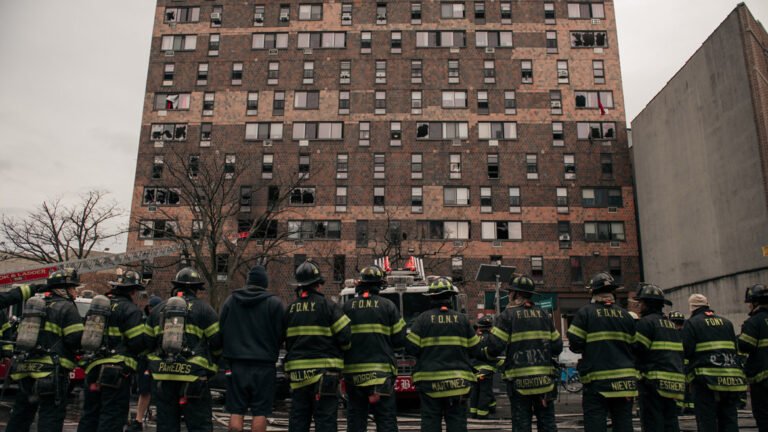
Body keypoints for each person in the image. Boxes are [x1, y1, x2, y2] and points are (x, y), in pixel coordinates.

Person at [6, 269, 84, 432]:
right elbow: (74, 339)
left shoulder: (34, 308)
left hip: (25, 371)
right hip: (52, 373)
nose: (75, 292)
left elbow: (16, 336)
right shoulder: (67, 307)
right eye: (73, 288)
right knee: (50, 417)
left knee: (20, 415)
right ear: (64, 289)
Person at [146, 267, 222, 432]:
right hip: (194, 378)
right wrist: (213, 366)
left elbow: (146, 344)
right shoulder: (205, 310)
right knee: (199, 426)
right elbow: (217, 343)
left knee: (166, 426)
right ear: (196, 289)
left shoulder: (158, 309)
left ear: (176, 286)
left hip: (163, 377)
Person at [484, 276, 562, 432]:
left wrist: (486, 355)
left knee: (521, 424)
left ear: (515, 294)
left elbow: (494, 347)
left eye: (510, 292)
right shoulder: (544, 315)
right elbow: (557, 347)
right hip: (545, 382)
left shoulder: (507, 316)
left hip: (519, 383)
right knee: (547, 423)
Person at [284, 260, 351, 432]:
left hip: (298, 377)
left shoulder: (290, 309)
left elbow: (283, 340)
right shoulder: (329, 307)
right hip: (325, 374)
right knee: (326, 421)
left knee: (298, 420)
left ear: (300, 286)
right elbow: (345, 337)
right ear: (318, 285)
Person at [406, 277, 480, 432]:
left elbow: (411, 349)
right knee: (457, 424)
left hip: (429, 383)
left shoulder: (422, 320)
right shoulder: (462, 320)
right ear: (451, 298)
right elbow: (476, 349)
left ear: (431, 298)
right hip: (458, 384)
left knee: (431, 423)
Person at [566, 272, 637, 432]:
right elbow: (635, 346)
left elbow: (575, 343)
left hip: (598, 381)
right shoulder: (626, 316)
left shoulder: (585, 313)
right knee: (624, 423)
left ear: (593, 292)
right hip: (625, 382)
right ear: (613, 293)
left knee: (595, 423)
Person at [78, 270, 148, 432]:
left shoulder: (99, 308)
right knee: (112, 417)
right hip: (116, 373)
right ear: (132, 291)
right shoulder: (131, 310)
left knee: (89, 416)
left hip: (93, 368)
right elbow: (137, 342)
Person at [220, 265, 286, 432]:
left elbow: (220, 330)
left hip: (236, 364)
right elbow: (282, 335)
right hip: (264, 365)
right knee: (260, 412)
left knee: (236, 410)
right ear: (265, 283)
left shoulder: (231, 301)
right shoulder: (275, 304)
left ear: (248, 282)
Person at [342, 265, 406, 432]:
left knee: (356, 418)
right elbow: (400, 339)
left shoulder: (346, 307)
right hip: (381, 375)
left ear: (360, 284)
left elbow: (339, 339)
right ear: (380, 285)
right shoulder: (388, 306)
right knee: (385, 418)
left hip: (353, 376)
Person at [682, 293, 746, 432]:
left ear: (692, 307)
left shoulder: (692, 323)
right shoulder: (727, 322)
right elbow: (735, 349)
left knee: (707, 420)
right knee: (729, 419)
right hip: (730, 378)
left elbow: (686, 350)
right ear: (708, 305)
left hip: (705, 380)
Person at [632, 284, 684, 432]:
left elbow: (638, 350)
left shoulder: (646, 323)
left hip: (653, 383)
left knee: (652, 423)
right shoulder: (671, 325)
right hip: (673, 382)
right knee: (670, 422)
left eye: (640, 303)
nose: (639, 306)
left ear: (647, 304)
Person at [129, 295, 162, 432]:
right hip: (146, 361)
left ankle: (140, 419)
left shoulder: (154, 321)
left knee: (155, 391)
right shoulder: (146, 320)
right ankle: (138, 419)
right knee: (144, 391)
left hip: (153, 361)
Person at [738, 284, 768, 431]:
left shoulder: (754, 322)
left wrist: (738, 337)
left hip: (762, 379)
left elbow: (745, 346)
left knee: (763, 416)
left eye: (749, 302)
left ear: (755, 302)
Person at [469, 314, 497, 420]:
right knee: (484, 392)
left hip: (474, 369)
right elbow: (495, 353)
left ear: (479, 327)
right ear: (490, 327)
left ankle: (473, 412)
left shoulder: (475, 339)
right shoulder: (491, 339)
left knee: (475, 391)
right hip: (487, 370)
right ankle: (482, 414)